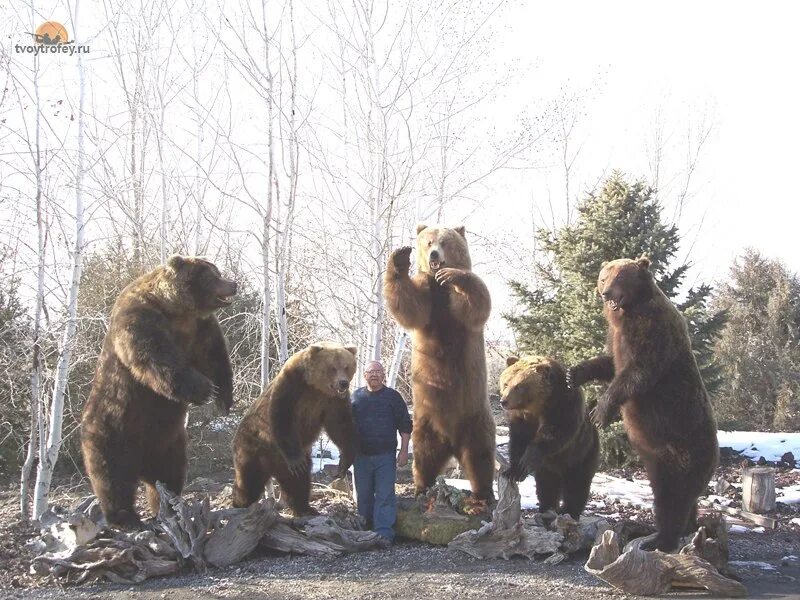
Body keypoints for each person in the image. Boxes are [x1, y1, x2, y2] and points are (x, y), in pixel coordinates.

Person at [351, 360, 412, 542]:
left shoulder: (393, 397)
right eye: (371, 371)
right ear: (365, 375)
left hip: (385, 456)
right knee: (364, 495)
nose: (375, 374)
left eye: (378, 371)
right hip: (360, 456)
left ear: (383, 375)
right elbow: (345, 427)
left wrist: (403, 451)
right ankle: (365, 530)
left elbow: (405, 426)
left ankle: (384, 534)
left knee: (385, 495)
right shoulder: (355, 398)